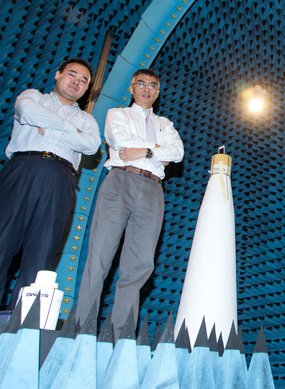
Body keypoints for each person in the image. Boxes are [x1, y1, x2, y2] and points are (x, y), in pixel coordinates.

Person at [0, 57, 101, 312]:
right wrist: (68, 130)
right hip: (23, 169)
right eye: (72, 74)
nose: (77, 82)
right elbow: (28, 113)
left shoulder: (87, 121)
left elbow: (90, 145)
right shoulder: (34, 97)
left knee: (41, 254)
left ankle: (22, 322)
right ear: (58, 74)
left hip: (61, 179)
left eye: (84, 81)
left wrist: (49, 130)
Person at [75, 68, 184, 335]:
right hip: (120, 181)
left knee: (141, 263)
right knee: (100, 255)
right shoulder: (117, 115)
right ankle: (81, 328)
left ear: (157, 92)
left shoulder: (165, 124)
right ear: (132, 88)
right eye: (142, 84)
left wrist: (145, 150)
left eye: (153, 86)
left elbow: (178, 153)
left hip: (153, 190)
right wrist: (159, 153)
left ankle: (121, 332)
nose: (148, 89)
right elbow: (119, 140)